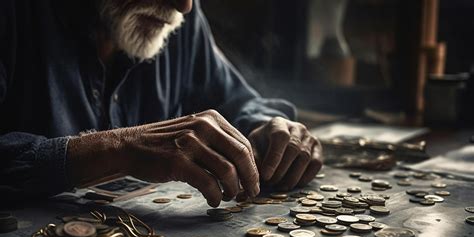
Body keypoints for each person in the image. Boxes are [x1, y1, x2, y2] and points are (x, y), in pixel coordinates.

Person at [0, 0, 323, 207]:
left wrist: (269, 127)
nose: (183, 7)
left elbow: (235, 100)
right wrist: (117, 149)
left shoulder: (180, 18)